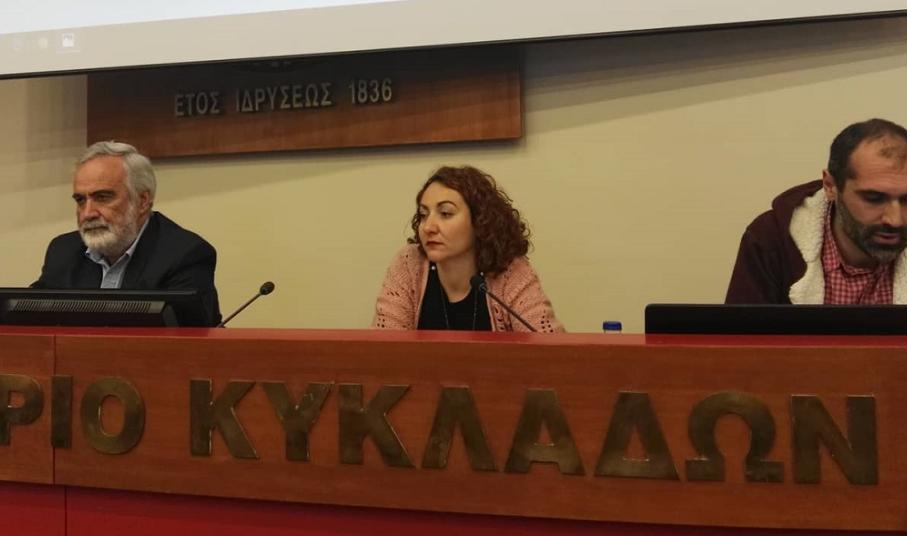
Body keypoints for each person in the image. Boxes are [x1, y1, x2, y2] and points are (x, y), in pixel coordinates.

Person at [33, 141, 222, 326]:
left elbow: (189, 338)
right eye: (81, 200)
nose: (88, 213)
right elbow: (31, 318)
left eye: (103, 197)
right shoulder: (63, 251)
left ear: (142, 201)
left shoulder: (185, 255)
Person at [726, 118, 907, 304]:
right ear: (830, 186)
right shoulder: (772, 239)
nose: (895, 220)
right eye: (874, 198)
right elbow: (742, 324)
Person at [372, 166, 563, 332]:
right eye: (423, 215)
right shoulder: (409, 263)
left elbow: (549, 348)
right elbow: (384, 348)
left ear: (479, 221)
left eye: (445, 213)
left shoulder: (510, 271)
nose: (428, 227)